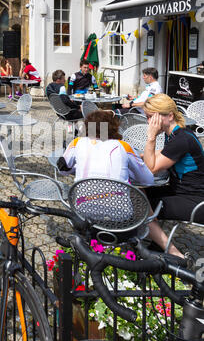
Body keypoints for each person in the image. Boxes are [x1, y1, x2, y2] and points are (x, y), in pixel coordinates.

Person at [58, 110, 184, 258]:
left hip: (83, 215)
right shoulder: (123, 146)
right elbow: (148, 180)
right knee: (137, 198)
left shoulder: (77, 143)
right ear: (113, 127)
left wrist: (78, 167)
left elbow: (63, 170)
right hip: (121, 221)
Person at [143, 93, 204, 229]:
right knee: (141, 193)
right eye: (147, 117)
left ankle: (163, 246)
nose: (149, 122)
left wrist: (151, 137)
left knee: (139, 205)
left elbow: (149, 170)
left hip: (195, 200)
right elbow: (165, 152)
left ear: (170, 116)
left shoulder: (181, 139)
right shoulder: (177, 133)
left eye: (152, 117)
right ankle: (157, 243)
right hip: (180, 191)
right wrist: (138, 155)